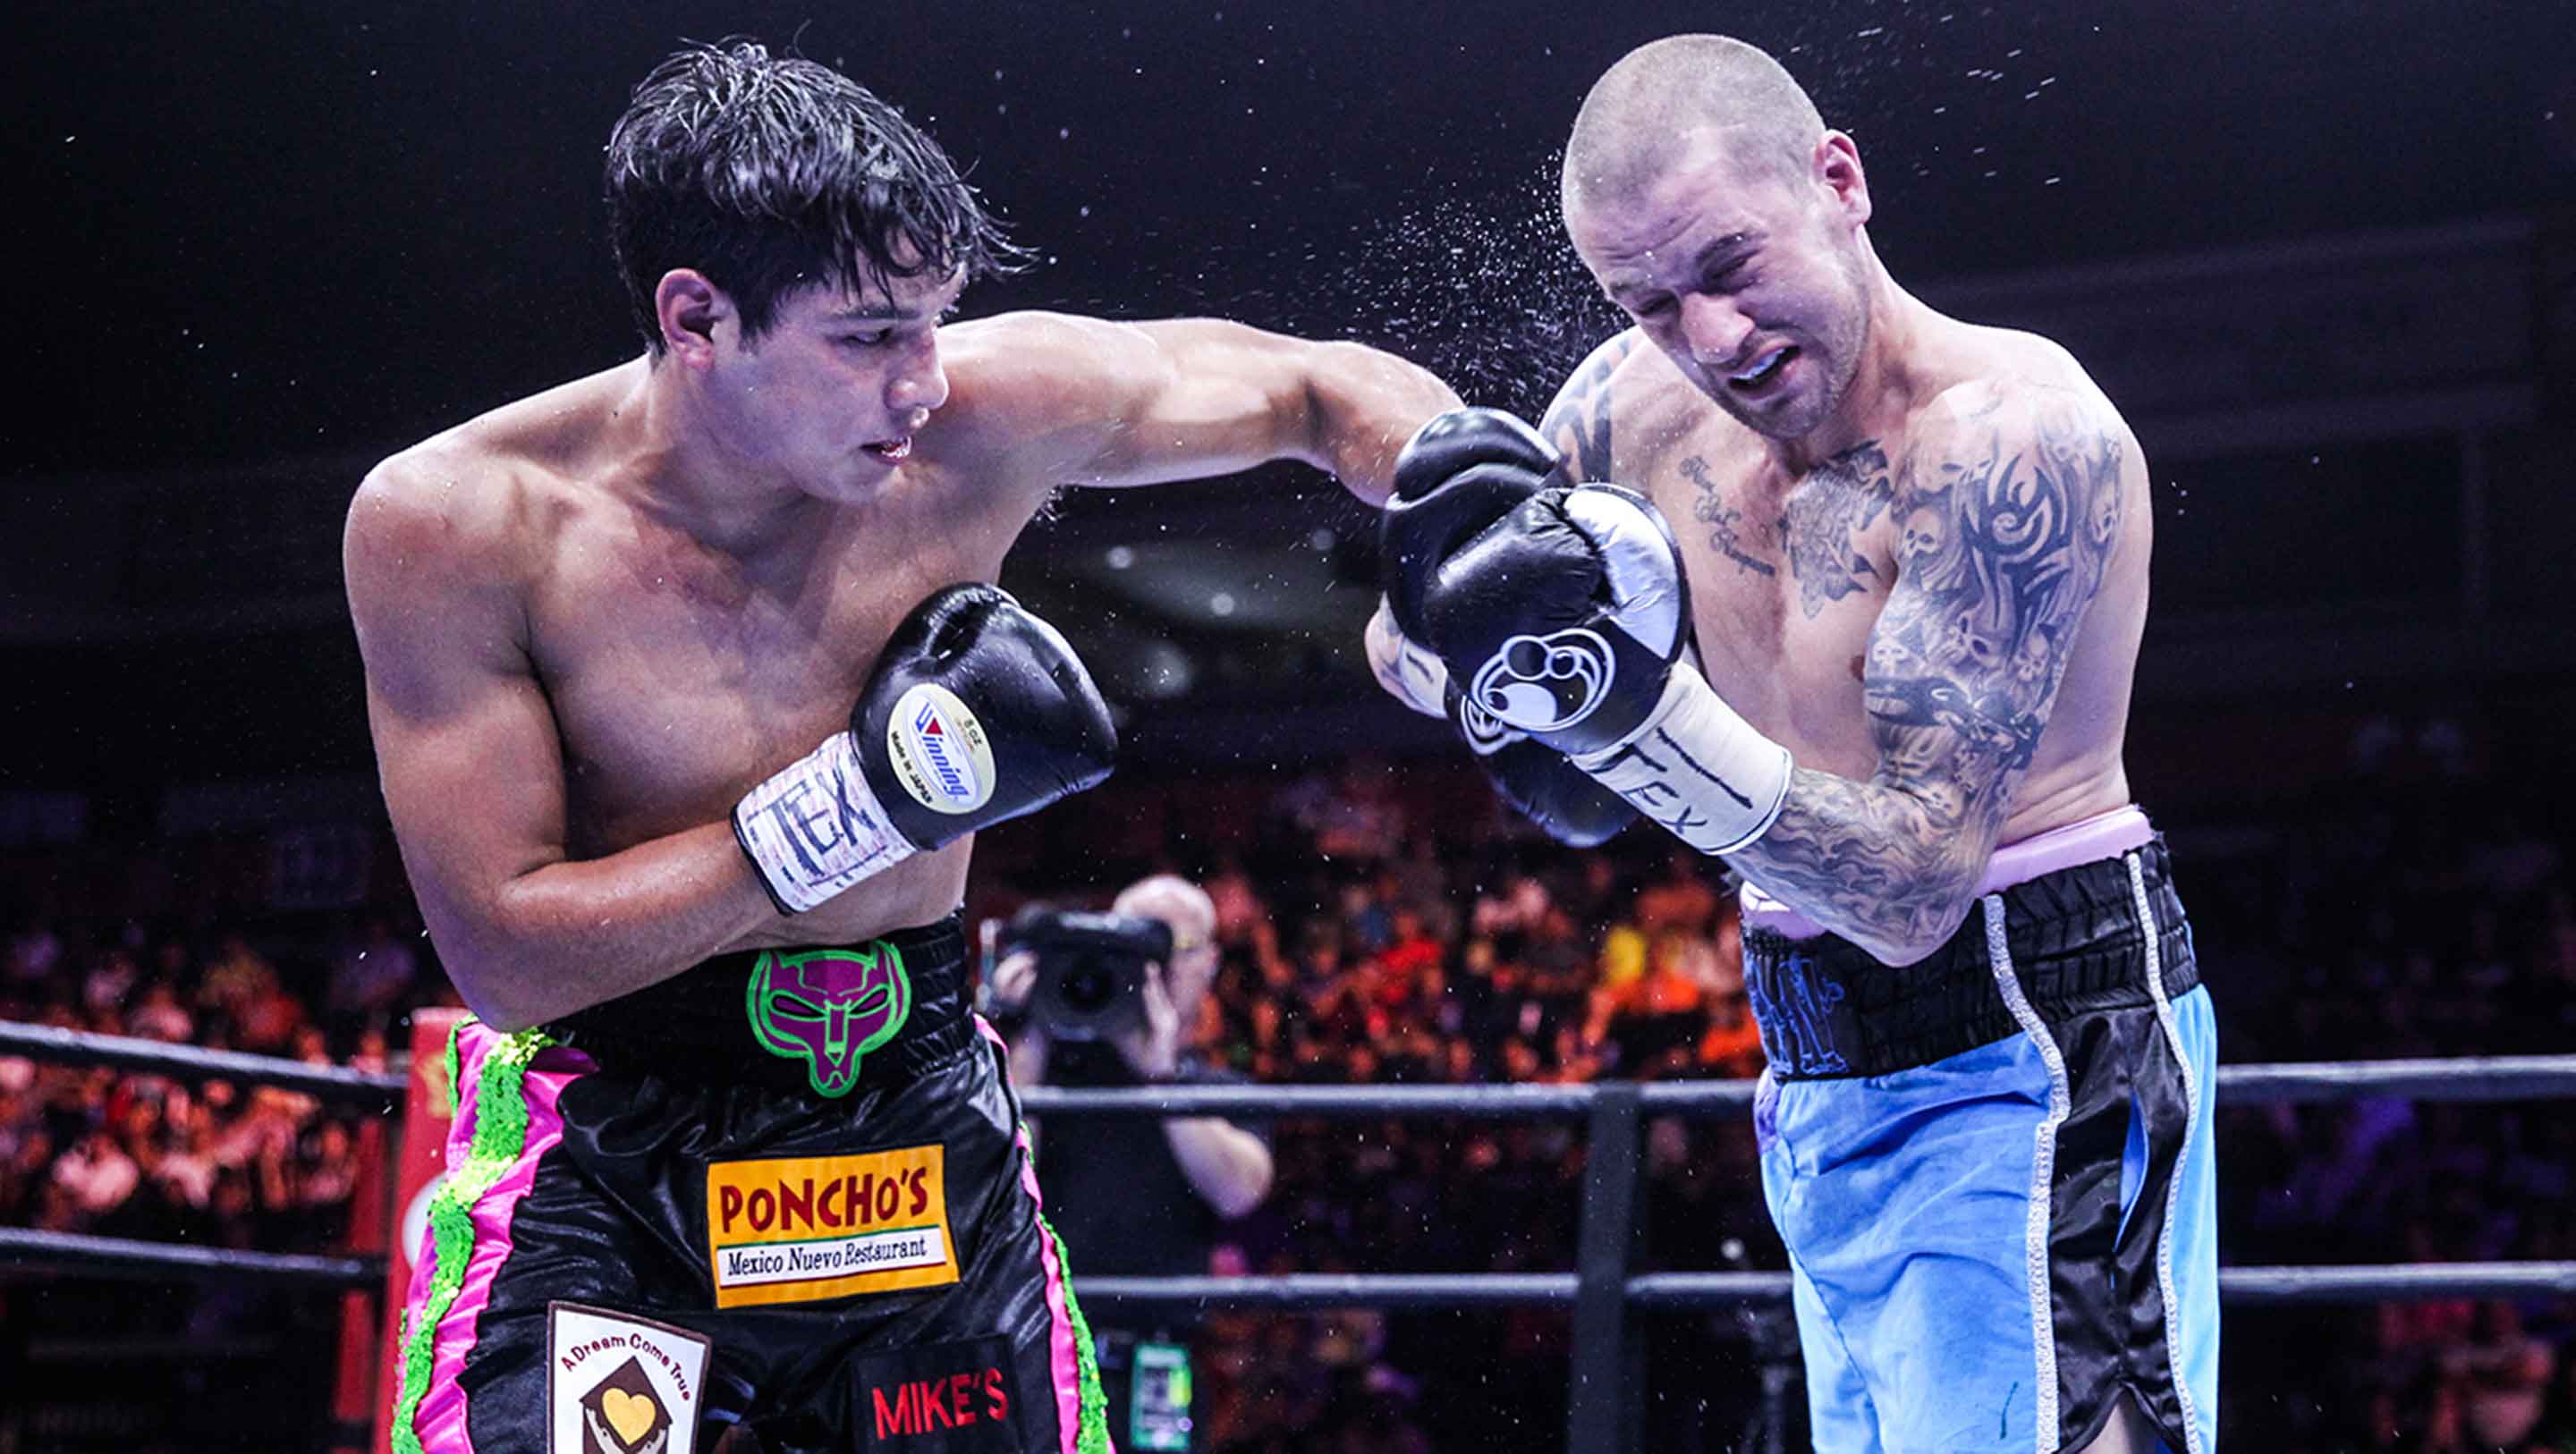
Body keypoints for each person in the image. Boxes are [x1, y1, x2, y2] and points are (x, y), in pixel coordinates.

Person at [346, 41, 1456, 1454]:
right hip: (617, 1143)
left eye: (936, 321)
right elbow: (505, 952)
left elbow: (1314, 389)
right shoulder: (465, 525)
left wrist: (1482, 511)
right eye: (870, 336)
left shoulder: (976, 422)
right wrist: (859, 805)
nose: (923, 381)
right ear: (698, 318)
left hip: (912, 1113)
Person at [1370, 34, 2215, 1454]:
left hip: (2028, 1028)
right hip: (1813, 1058)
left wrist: (1622, 707)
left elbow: (1909, 889)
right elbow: (1419, 647)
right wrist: (1449, 620)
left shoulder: (2011, 440)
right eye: (1646, 301)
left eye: (1728, 265)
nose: (1709, 336)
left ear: (1840, 179)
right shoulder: (1631, 407)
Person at [994, 875, 1275, 1452]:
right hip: (1045, 1351)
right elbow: (998, 1176)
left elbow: (1241, 1190)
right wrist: (1035, 1026)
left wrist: (1160, 1078)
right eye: (1132, 949)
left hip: (1158, 1360)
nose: (1151, 971)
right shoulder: (1046, 1074)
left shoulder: (1215, 1088)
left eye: (1168, 951)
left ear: (1210, 964)